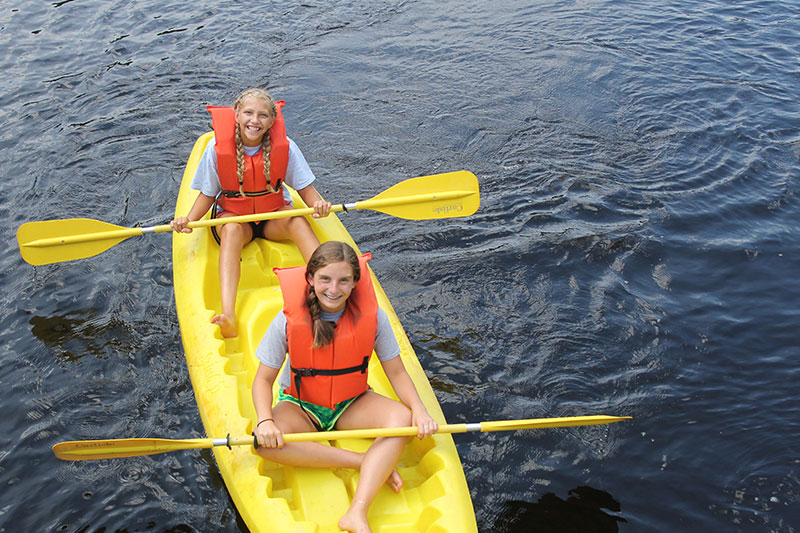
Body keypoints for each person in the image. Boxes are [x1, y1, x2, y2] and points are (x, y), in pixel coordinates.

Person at [252, 241, 438, 533]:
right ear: (311, 279)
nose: (333, 289)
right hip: (301, 406)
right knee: (262, 444)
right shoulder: (286, 321)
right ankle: (366, 461)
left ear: (355, 283)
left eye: (344, 280)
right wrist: (265, 421)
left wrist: (420, 411)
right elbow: (262, 380)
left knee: (402, 420)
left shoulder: (373, 317)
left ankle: (357, 512)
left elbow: (397, 373)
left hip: (352, 403)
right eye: (325, 279)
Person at [170, 88, 331, 338]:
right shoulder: (216, 148)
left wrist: (319, 205)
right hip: (235, 217)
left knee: (299, 221)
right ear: (236, 114)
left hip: (272, 216)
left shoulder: (286, 147)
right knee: (233, 230)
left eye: (263, 115)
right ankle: (228, 313)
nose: (254, 120)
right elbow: (207, 194)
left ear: (272, 121)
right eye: (248, 113)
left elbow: (305, 188)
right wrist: (189, 220)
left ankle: (328, 294)